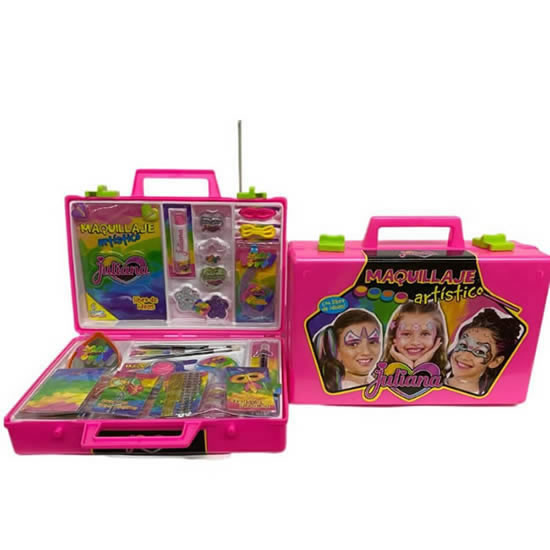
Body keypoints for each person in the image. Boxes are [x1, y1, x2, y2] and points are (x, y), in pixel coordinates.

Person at [446, 308, 523, 395]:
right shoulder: (433, 384)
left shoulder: (494, 396)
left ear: (495, 361)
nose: (464, 356)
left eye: (479, 352)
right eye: (463, 345)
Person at [314, 309, 383, 391]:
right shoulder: (344, 389)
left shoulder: (374, 382)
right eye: (353, 344)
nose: (366, 352)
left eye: (372, 342)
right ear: (336, 350)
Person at [383, 301, 447, 371]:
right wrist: (408, 366)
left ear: (437, 338)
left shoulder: (450, 374)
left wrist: (418, 367)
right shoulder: (380, 373)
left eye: (425, 334)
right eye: (406, 334)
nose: (415, 342)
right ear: (393, 337)